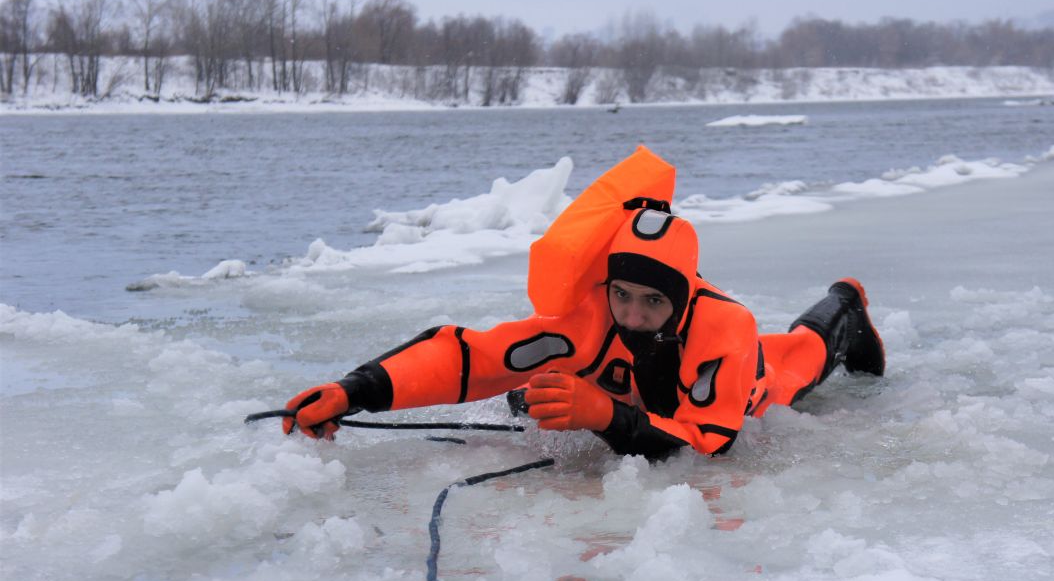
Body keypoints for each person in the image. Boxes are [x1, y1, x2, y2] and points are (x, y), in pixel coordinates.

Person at [282, 154, 885, 459]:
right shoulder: (591, 317)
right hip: (635, 400)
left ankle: (845, 304)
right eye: (622, 294)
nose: (633, 313)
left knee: (798, 357)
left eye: (654, 301)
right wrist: (353, 389)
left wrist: (603, 416)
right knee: (534, 386)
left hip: (745, 386)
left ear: (681, 295)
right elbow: (472, 359)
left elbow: (709, 445)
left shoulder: (725, 327)